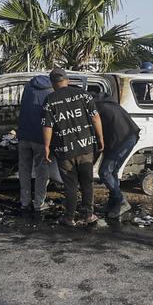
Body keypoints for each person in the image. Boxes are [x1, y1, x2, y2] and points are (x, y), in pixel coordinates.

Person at [42, 68, 105, 227]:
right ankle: (88, 215)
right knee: (87, 182)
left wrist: (47, 146)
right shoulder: (84, 95)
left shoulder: (50, 100)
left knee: (70, 184)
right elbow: (96, 117)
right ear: (67, 80)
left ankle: (69, 217)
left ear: (52, 84)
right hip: (85, 147)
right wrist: (100, 138)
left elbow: (47, 127)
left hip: (65, 149)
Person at [95, 92, 140, 218]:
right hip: (128, 136)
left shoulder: (96, 108)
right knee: (113, 171)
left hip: (122, 139)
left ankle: (121, 201)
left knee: (104, 172)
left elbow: (97, 136)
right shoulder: (108, 104)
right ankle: (113, 203)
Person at [17, 75, 53, 212]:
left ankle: (25, 201)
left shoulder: (28, 88)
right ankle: (39, 203)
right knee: (41, 171)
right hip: (41, 138)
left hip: (24, 136)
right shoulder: (51, 92)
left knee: (24, 170)